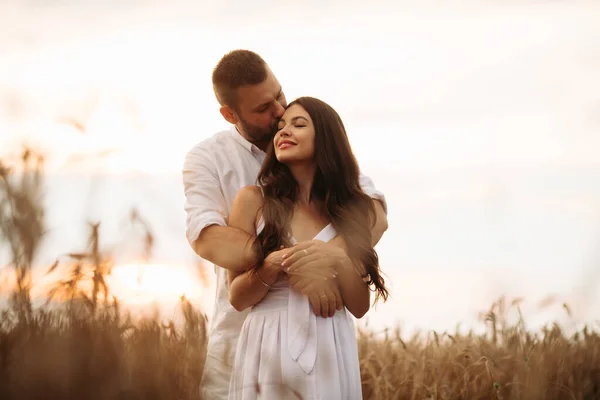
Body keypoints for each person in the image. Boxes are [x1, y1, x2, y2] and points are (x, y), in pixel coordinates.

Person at [182, 49, 388, 399]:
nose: (279, 113)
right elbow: (208, 238)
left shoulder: (324, 164)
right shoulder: (209, 160)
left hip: (325, 336)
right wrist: (294, 264)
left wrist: (326, 257)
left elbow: (374, 215)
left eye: (279, 95)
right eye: (264, 109)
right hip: (244, 334)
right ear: (230, 114)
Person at [226, 96, 389, 399]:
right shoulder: (251, 200)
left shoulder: (348, 209)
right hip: (267, 339)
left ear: (326, 138)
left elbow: (359, 306)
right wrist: (274, 264)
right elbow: (236, 296)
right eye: (280, 126)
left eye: (298, 124)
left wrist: (336, 258)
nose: (283, 132)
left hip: (330, 337)